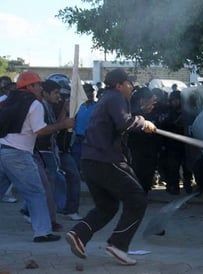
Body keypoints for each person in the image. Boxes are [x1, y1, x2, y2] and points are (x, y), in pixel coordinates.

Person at [65, 68, 156, 265]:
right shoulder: (116, 97)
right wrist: (142, 122)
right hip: (107, 161)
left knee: (107, 206)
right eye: (129, 84)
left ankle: (79, 234)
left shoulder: (106, 99)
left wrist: (140, 120)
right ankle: (118, 245)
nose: (131, 87)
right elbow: (124, 122)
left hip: (90, 161)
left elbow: (119, 122)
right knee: (137, 200)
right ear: (119, 85)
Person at [0, 71, 74, 242]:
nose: (41, 87)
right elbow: (40, 131)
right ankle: (42, 232)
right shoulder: (35, 104)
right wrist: (63, 124)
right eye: (38, 84)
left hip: (2, 150)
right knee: (36, 192)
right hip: (19, 154)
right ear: (29, 86)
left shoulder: (5, 100)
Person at [37, 79, 83, 221]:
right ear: (45, 93)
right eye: (57, 93)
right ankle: (39, 213)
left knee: (68, 179)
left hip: (60, 150)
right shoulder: (40, 107)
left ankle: (68, 210)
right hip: (46, 151)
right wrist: (64, 118)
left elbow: (57, 127)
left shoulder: (52, 106)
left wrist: (65, 111)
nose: (60, 96)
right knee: (50, 183)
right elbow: (47, 129)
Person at [71, 83, 97, 170]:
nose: (90, 94)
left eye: (91, 92)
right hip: (77, 139)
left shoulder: (97, 107)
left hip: (91, 139)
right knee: (76, 163)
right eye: (87, 92)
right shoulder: (76, 106)